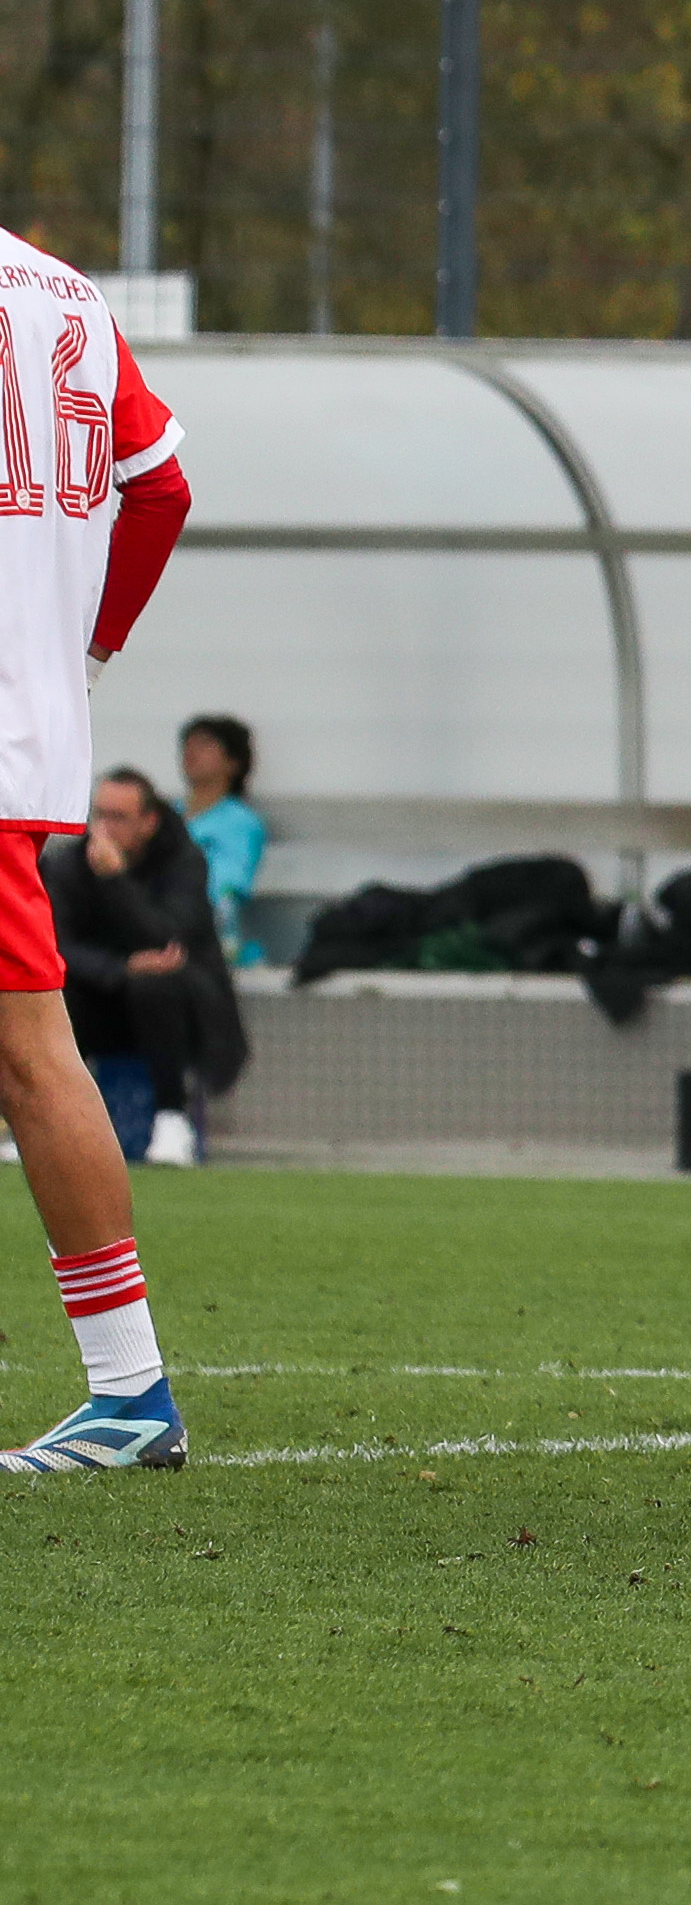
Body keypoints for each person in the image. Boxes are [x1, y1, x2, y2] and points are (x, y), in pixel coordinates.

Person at [0, 234, 197, 1474]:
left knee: (29, 1049)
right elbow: (162, 484)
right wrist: (90, 646)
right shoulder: (62, 287)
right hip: (27, 727)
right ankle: (128, 1393)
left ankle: (130, 1393)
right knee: (27, 1045)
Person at [49, 771, 241, 1168]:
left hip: (186, 1010)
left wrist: (116, 881)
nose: (103, 828)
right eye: (99, 815)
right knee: (55, 987)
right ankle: (48, 1123)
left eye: (118, 817)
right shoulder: (68, 866)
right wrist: (121, 968)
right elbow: (57, 947)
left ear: (149, 822)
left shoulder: (185, 862)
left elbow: (170, 939)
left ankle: (172, 1118)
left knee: (155, 984)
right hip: (104, 1001)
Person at [173, 715, 265, 967]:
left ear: (233, 762)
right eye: (188, 743)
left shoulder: (241, 822)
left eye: (205, 744)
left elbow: (226, 886)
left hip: (211, 939)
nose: (191, 751)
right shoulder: (167, 815)